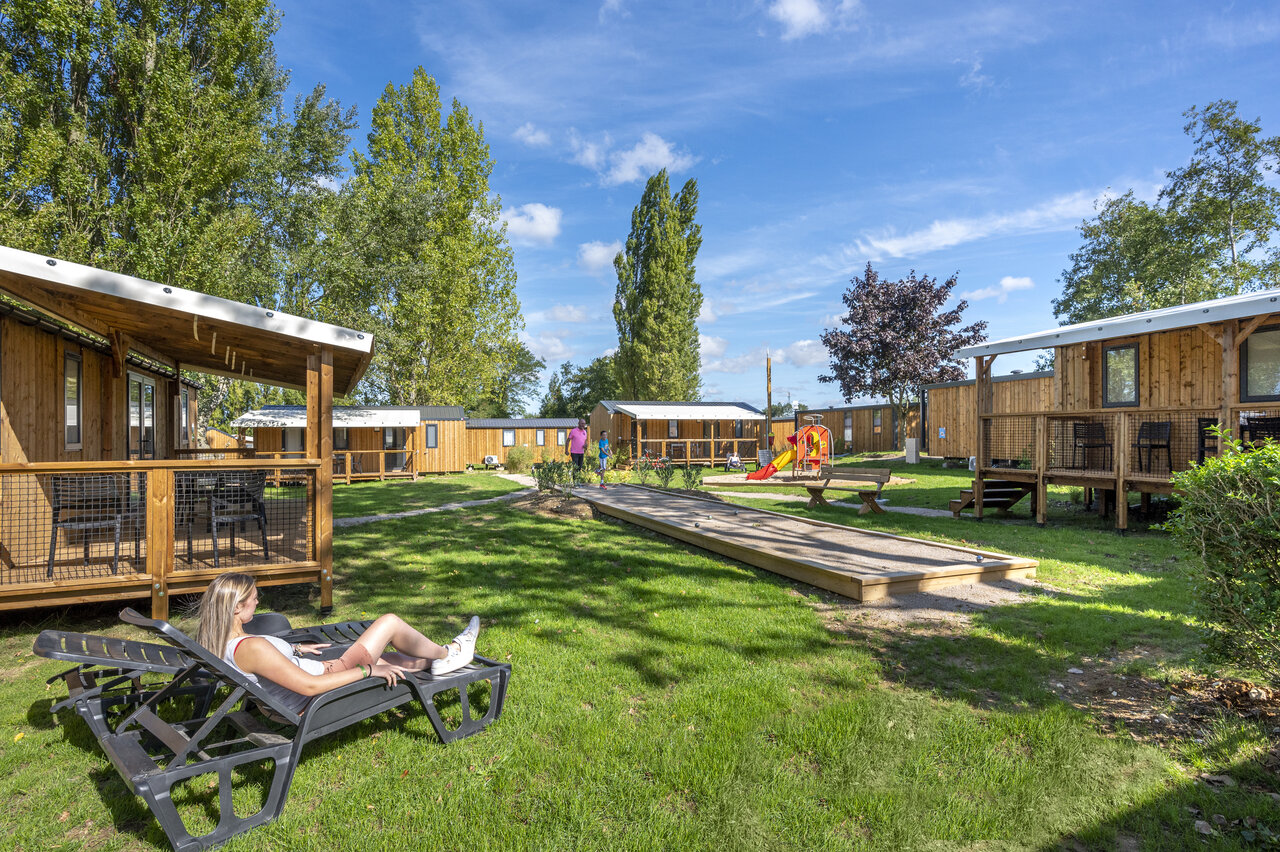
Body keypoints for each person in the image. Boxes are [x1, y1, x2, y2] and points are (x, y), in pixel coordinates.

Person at [196, 573, 479, 715]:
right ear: (235, 607)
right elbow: (309, 687)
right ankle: (450, 652)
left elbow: (265, 665)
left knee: (389, 660)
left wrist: (294, 650)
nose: (258, 601)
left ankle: (439, 662)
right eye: (254, 598)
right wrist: (367, 672)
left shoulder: (220, 642)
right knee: (390, 623)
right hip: (323, 689)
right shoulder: (250, 648)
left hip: (317, 677)